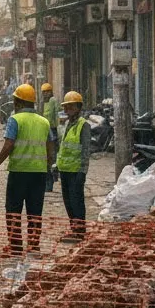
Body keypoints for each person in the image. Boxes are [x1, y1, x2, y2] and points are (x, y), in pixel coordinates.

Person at [0, 84, 55, 255]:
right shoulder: (44, 122)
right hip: (39, 174)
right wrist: (48, 166)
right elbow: (50, 147)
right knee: (35, 211)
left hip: (19, 173)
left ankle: (16, 247)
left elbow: (9, 144)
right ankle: (33, 245)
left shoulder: (15, 120)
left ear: (17, 102)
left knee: (13, 210)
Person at [56, 91, 91, 240]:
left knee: (76, 201)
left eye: (70, 106)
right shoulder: (67, 124)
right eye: (66, 107)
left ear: (78, 107)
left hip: (76, 171)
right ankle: (74, 229)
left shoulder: (84, 125)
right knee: (68, 201)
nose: (67, 110)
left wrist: (82, 172)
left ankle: (79, 232)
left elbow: (85, 150)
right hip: (65, 170)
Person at [40, 82, 59, 192]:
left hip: (53, 130)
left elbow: (56, 115)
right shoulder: (42, 102)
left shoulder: (53, 101)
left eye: (48, 92)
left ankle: (51, 181)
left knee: (52, 157)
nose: (46, 94)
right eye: (44, 92)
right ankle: (47, 182)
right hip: (44, 131)